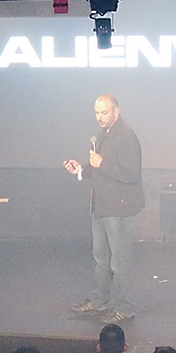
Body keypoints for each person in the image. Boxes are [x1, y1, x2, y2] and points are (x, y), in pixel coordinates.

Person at [65, 93, 145, 323]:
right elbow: (99, 166)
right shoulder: (103, 134)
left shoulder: (127, 136)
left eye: (104, 112)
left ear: (116, 112)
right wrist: (81, 169)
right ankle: (99, 300)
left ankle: (125, 308)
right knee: (101, 258)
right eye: (97, 113)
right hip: (101, 207)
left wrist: (102, 163)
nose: (100, 117)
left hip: (118, 209)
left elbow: (131, 174)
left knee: (120, 261)